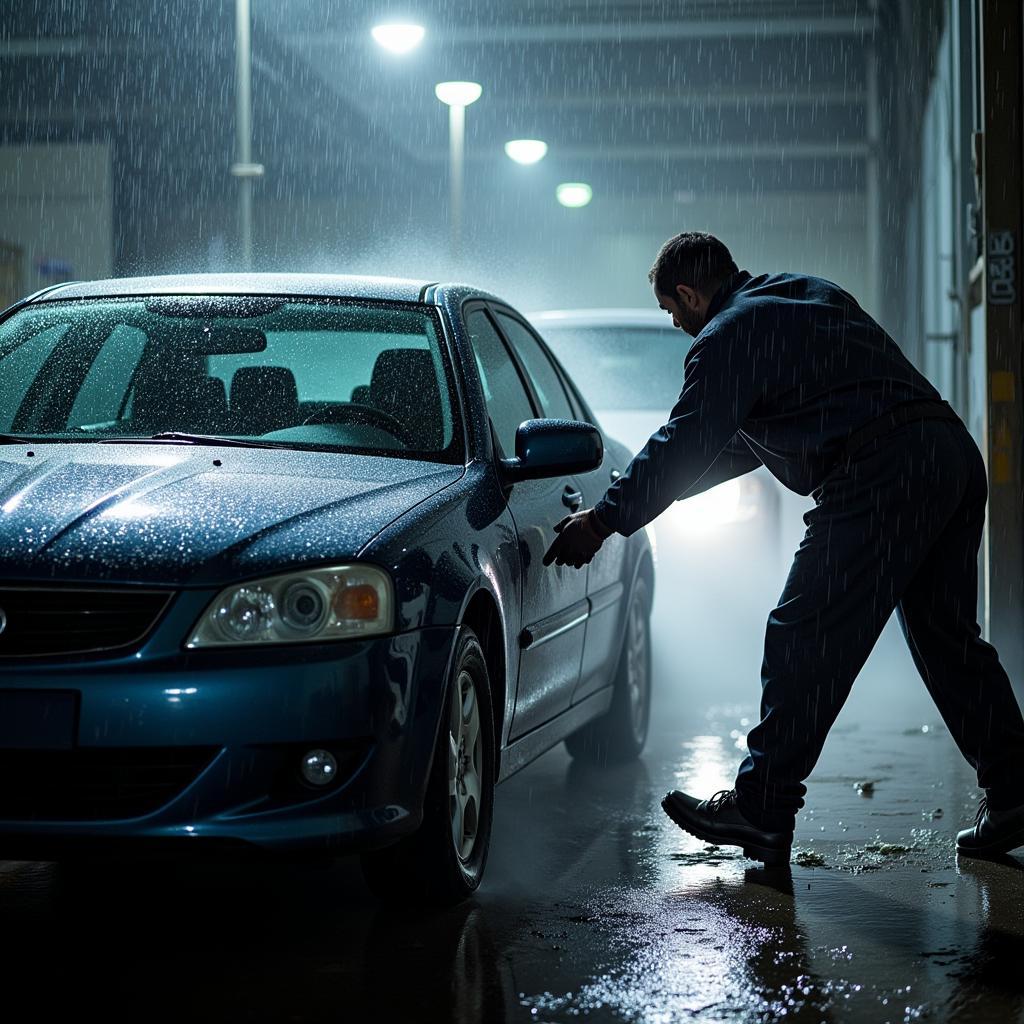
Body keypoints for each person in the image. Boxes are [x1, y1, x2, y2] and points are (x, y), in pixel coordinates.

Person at [543, 231, 1024, 866]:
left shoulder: (726, 336)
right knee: (948, 640)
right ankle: (1016, 790)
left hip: (879, 473)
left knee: (804, 630)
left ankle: (764, 806)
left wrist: (603, 521)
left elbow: (686, 443)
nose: (678, 324)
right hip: (947, 456)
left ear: (688, 293)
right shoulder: (802, 294)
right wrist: (642, 499)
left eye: (671, 311)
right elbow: (724, 451)